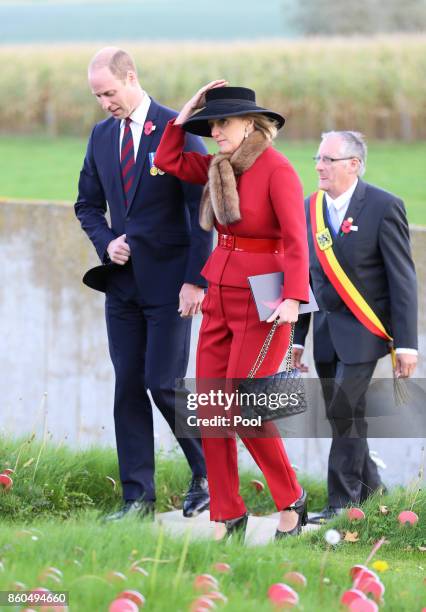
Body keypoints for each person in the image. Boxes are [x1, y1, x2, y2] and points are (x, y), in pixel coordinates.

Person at [154, 81, 310, 540]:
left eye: (222, 123)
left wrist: (294, 298)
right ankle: (228, 513)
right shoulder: (217, 166)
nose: (215, 131)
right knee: (211, 407)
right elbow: (167, 160)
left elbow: (297, 240)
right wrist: (184, 114)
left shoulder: (277, 170)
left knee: (245, 406)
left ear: (249, 123)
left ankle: (291, 500)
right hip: (219, 291)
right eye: (211, 124)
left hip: (266, 299)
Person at [74, 47, 212, 521]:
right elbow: (87, 205)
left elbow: (203, 212)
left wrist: (197, 280)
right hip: (122, 287)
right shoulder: (100, 136)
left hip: (173, 286)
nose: (105, 103)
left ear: (130, 77)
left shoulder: (179, 130)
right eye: (97, 96)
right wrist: (107, 241)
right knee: (128, 387)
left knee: (164, 383)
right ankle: (137, 501)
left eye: (109, 92)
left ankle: (208, 471)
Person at [292, 131, 418, 522]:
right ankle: (375, 491)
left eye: (328, 159)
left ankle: (341, 505)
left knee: (345, 406)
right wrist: (297, 340)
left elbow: (403, 280)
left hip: (366, 333)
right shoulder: (308, 208)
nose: (319, 166)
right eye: (318, 158)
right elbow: (305, 281)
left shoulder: (383, 206)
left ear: (354, 165)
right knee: (341, 412)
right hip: (327, 335)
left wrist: (408, 345)